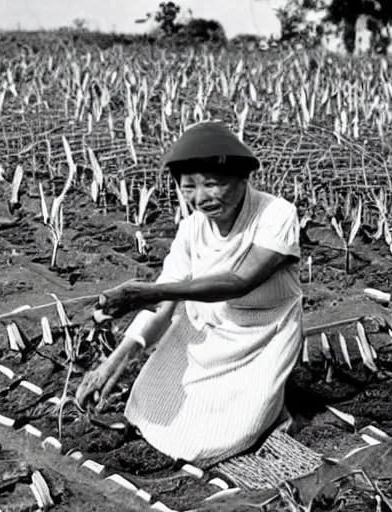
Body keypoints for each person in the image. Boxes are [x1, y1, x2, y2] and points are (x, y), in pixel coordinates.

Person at [76, 121, 303, 467]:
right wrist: (113, 363)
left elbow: (239, 281)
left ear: (244, 178)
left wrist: (150, 292)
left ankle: (270, 407)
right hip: (206, 333)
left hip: (261, 336)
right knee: (145, 411)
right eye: (189, 187)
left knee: (228, 438)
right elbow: (163, 308)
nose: (201, 198)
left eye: (213, 183)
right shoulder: (191, 229)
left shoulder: (276, 214)